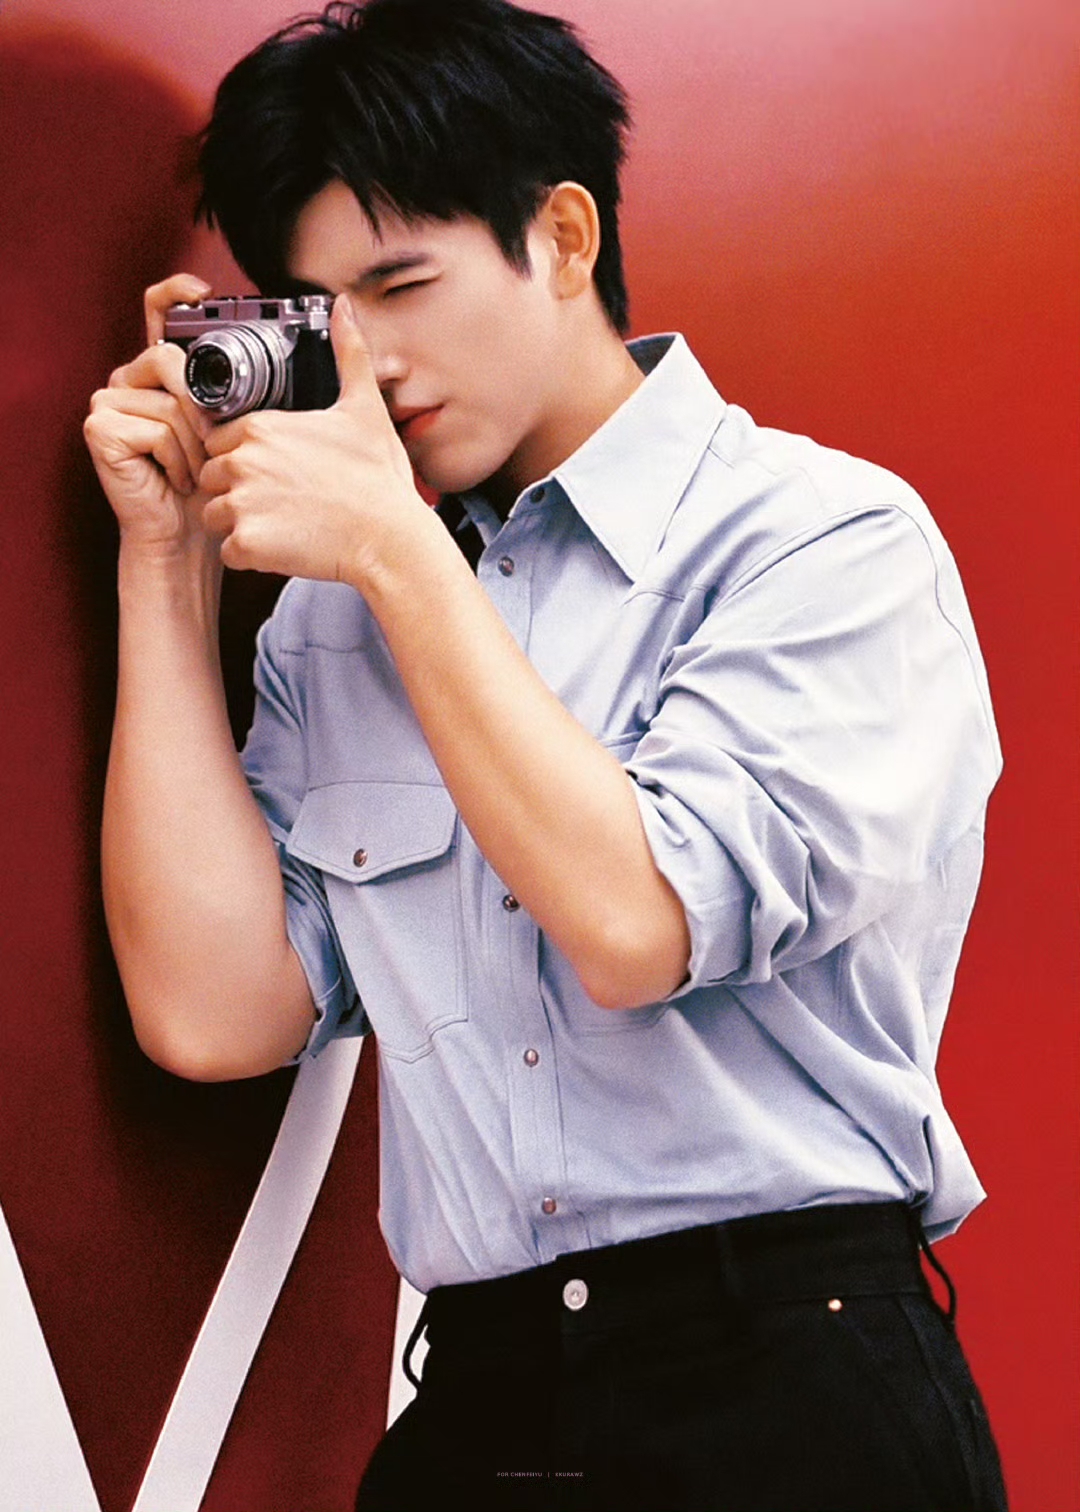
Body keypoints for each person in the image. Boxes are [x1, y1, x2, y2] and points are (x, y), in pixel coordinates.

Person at [83, 1, 1008, 1507]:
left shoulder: (819, 539)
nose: (373, 362)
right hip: (480, 1389)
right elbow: (214, 1013)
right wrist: (164, 563)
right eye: (326, 315)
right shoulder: (333, 619)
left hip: (789, 1378)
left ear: (564, 237)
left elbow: (638, 924)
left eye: (404, 284)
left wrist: (394, 552)